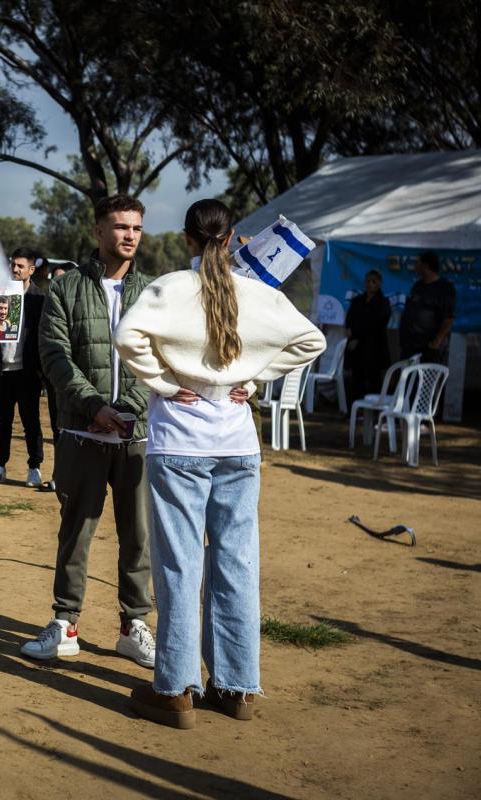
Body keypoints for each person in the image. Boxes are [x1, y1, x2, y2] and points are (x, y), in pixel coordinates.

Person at [114, 198, 325, 728]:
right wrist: (251, 378)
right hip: (237, 443)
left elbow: (126, 337)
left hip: (180, 442)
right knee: (236, 562)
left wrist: (166, 383)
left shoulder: (169, 288)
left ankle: (175, 690)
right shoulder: (258, 293)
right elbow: (312, 340)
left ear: (187, 238)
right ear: (232, 239)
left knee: (179, 565)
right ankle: (236, 688)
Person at [23, 194, 157, 669]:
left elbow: (161, 358)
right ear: (98, 231)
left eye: (136, 228)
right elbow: (55, 356)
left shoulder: (155, 293)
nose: (129, 236)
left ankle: (134, 626)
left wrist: (130, 407)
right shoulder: (65, 289)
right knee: (75, 531)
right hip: (82, 432)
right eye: (120, 227)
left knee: (138, 535)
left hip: (137, 435)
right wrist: (95, 407)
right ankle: (65, 624)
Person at [0, 248, 46, 488]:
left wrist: (42, 371)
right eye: (13, 265)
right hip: (1, 371)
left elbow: (45, 337)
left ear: (31, 270)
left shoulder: (39, 299)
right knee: (2, 423)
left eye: (20, 266)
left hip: (27, 373)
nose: (15, 269)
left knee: (31, 422)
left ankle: (34, 467)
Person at [398, 251, 455, 364]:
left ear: (426, 266)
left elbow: (448, 320)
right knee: (407, 375)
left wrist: (434, 345)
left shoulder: (445, 289)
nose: (415, 267)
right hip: (409, 349)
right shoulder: (417, 286)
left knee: (425, 376)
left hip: (428, 351)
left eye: (417, 263)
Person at [345, 270, 392, 401]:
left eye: (373, 282)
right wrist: (350, 332)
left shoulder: (384, 303)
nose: (370, 284)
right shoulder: (357, 300)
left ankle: (375, 409)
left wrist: (358, 338)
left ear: (379, 284)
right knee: (356, 378)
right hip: (356, 348)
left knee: (374, 379)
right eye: (368, 281)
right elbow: (349, 318)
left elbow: (377, 324)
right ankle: (356, 407)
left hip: (374, 348)